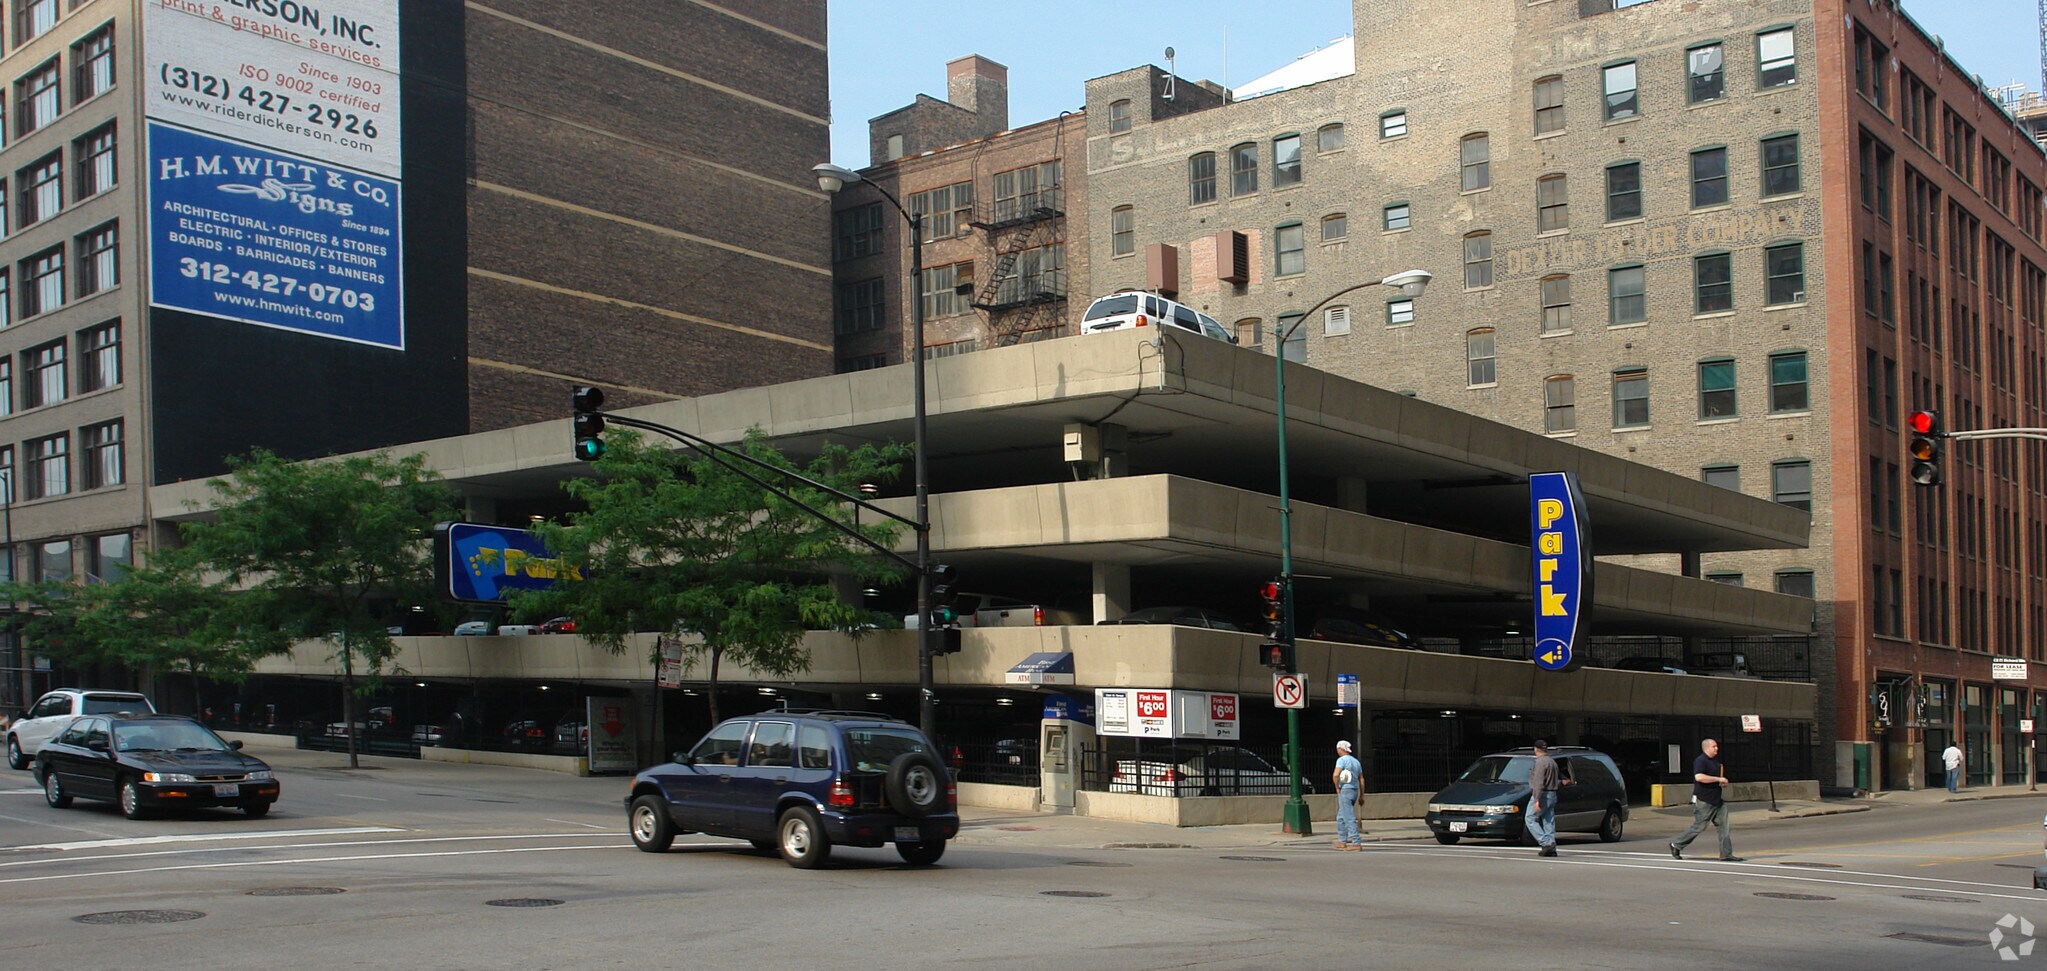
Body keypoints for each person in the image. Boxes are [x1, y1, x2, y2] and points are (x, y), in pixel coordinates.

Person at [1670, 738, 1743, 862]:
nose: (1717, 748)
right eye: (1714, 746)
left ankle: (1726, 854)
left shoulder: (1715, 761)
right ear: (1707, 748)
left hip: (1717, 800)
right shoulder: (1701, 761)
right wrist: (1718, 779)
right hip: (1704, 800)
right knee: (1699, 826)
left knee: (1724, 827)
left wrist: (1722, 783)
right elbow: (1699, 777)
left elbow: (1716, 778)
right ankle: (1676, 844)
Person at [1526, 739, 1561, 857]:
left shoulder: (1540, 762)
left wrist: (1537, 799)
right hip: (1552, 793)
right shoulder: (1552, 761)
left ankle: (1546, 843)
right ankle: (1552, 846)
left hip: (1543, 794)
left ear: (1535, 749)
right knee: (1548, 820)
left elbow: (1539, 781)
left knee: (1530, 818)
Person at [1331, 740, 1364, 850]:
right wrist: (1362, 795)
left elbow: (1336, 775)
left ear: (1341, 749)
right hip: (1354, 790)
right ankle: (1342, 840)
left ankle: (1356, 842)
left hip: (1345, 789)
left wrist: (1337, 787)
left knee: (1348, 816)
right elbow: (1361, 779)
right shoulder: (1356, 762)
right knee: (1341, 816)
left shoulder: (1341, 760)